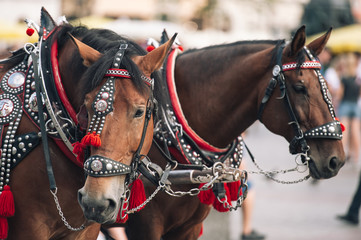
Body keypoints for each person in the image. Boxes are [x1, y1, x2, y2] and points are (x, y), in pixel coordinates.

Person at [337, 52, 361, 165]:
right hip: (355, 105)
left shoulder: (344, 78)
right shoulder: (358, 78)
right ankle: (357, 158)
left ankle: (342, 155)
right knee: (356, 132)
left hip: (345, 104)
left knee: (344, 132)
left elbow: (340, 94)